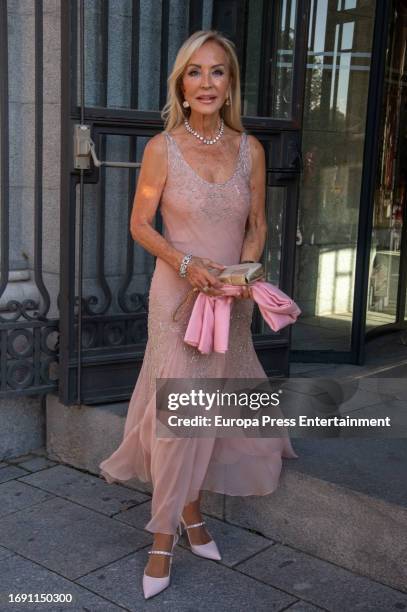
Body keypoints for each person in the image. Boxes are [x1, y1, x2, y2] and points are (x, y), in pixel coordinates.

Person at [99, 29, 298, 600]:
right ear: (181, 86)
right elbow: (141, 225)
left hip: (228, 302)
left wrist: (246, 275)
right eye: (195, 72)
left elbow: (258, 223)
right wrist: (186, 263)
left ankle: (192, 515)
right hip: (178, 298)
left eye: (217, 71)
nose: (206, 82)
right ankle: (164, 537)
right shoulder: (162, 148)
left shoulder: (250, 149)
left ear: (230, 83)